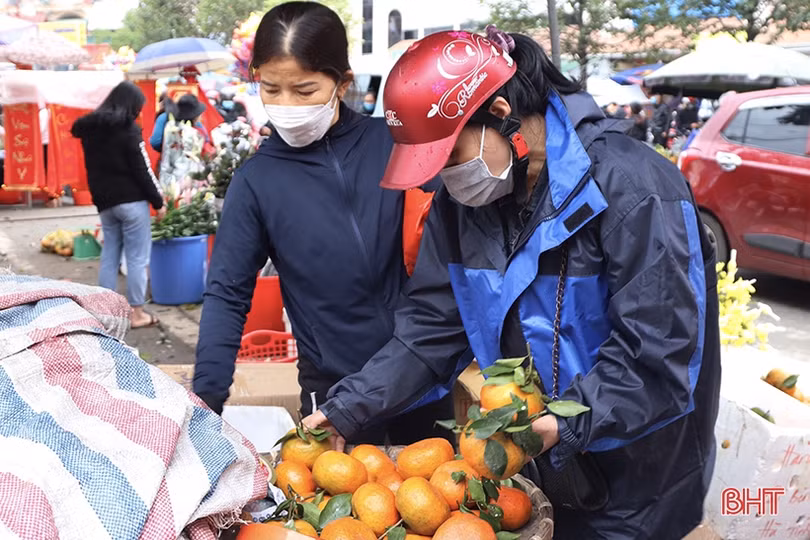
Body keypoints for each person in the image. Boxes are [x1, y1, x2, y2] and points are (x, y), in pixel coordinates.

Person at [305, 27, 721, 539]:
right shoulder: (462, 210)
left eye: (451, 158)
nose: (445, 180)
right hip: (538, 462)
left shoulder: (634, 190)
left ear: (501, 114)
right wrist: (349, 408)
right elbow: (431, 332)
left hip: (637, 476)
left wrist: (561, 425)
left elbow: (661, 354)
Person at [192, 2, 457, 445]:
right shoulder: (257, 181)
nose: (286, 104)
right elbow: (227, 293)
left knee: (434, 504)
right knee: (342, 510)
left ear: (342, 82)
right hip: (331, 399)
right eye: (271, 89)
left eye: (305, 90)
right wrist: (206, 403)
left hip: (421, 380)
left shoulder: (394, 145)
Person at [71, 81, 166, 329]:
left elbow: (92, 169)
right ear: (131, 105)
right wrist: (158, 201)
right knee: (136, 258)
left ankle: (103, 312)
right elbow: (142, 169)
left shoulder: (91, 130)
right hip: (132, 203)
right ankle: (136, 314)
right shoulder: (129, 130)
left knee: (110, 255)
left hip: (106, 203)